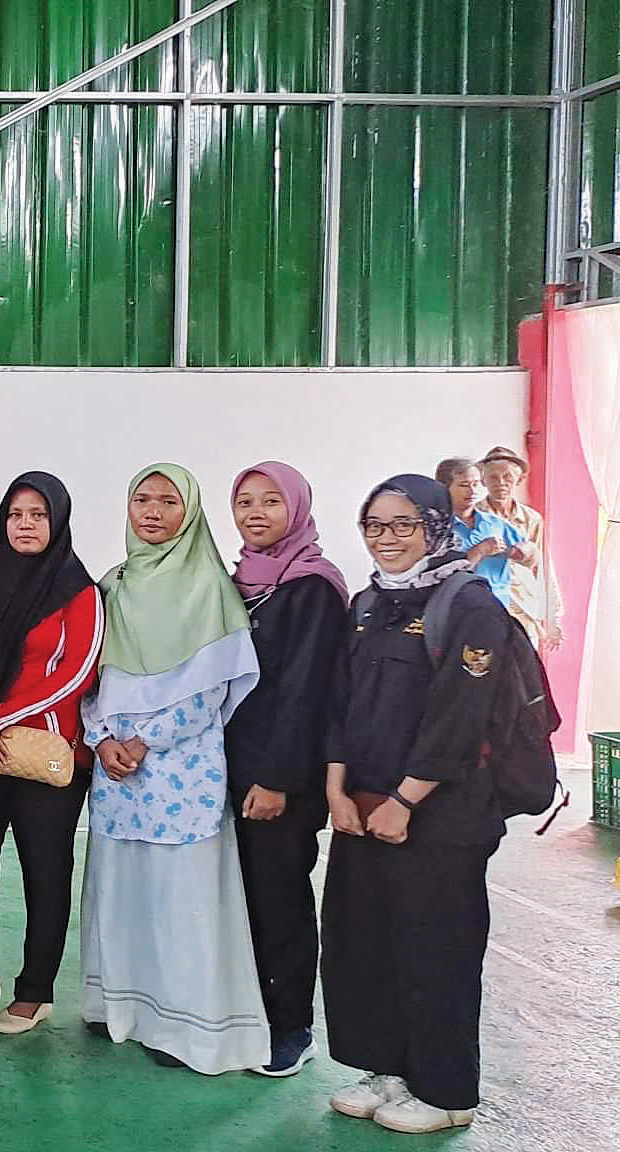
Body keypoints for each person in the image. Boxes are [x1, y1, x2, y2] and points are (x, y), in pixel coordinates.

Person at [322, 474, 513, 1135]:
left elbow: (460, 716)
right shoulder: (367, 603)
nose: (387, 538)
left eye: (403, 524)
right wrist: (335, 787)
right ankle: (389, 1068)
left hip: (440, 816)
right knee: (366, 943)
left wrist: (407, 797)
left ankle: (446, 1090)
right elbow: (341, 699)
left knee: (439, 949)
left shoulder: (470, 605)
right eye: (374, 525)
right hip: (364, 810)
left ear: (434, 527)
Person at [79, 464, 267, 1074]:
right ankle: (124, 1010)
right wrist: (103, 738)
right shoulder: (111, 586)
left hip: (181, 775)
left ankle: (188, 1028)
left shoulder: (211, 589)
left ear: (189, 512)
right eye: (142, 499)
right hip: (117, 777)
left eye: (168, 501)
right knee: (125, 893)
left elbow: (210, 691)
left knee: (181, 901)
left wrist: (143, 741)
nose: (153, 511)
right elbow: (89, 678)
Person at [0, 473, 100, 1037]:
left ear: (57, 522)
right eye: (15, 515)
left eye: (37, 515)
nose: (25, 525)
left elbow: (78, 672)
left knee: (44, 873)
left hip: (46, 756)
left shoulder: (78, 590)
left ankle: (36, 992)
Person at [223, 462, 348, 1077]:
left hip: (278, 779)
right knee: (237, 899)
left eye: (271, 501)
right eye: (245, 501)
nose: (256, 512)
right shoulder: (238, 581)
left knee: (279, 900)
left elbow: (306, 691)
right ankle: (243, 1016)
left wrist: (275, 779)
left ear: (296, 508)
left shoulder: (313, 587)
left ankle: (289, 1027)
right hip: (225, 771)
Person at [479, 445, 564, 652]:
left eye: (507, 477)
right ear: (483, 481)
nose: (500, 483)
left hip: (524, 609)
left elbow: (543, 567)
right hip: (486, 607)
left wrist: (553, 618)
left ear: (519, 480)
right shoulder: (475, 517)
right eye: (493, 477)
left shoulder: (531, 519)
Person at [435, 457, 529, 610]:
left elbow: (528, 549)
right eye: (464, 485)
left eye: (476, 484)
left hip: (497, 605)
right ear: (444, 488)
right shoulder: (437, 528)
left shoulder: (494, 523)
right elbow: (442, 577)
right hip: (457, 608)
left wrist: (518, 551)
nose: (472, 491)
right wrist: (480, 551)